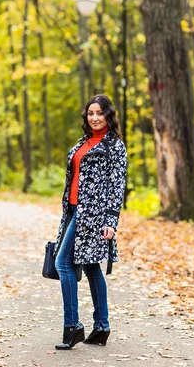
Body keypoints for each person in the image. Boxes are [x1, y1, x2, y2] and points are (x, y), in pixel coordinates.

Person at [52, 94, 127, 350]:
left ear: (108, 115)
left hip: (94, 216)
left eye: (99, 113)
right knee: (91, 266)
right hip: (73, 212)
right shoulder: (83, 142)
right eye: (91, 113)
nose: (95, 117)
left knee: (62, 263)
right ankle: (102, 326)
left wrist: (111, 220)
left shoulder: (114, 146)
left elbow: (117, 186)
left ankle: (72, 327)